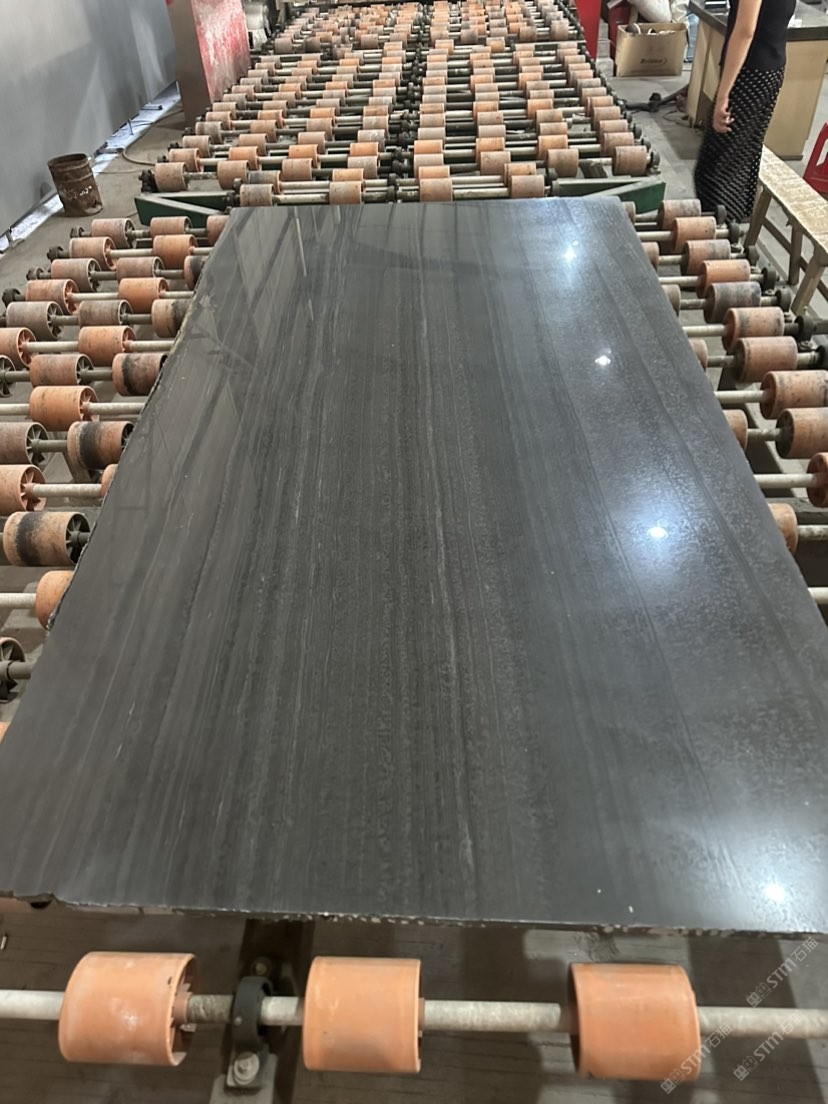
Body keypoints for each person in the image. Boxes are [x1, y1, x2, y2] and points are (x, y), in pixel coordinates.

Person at [693, 0, 796, 222]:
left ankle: (719, 230)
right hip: (771, 67)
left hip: (750, 72)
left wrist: (723, 94)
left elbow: (745, 31)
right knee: (742, 156)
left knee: (714, 169)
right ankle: (732, 224)